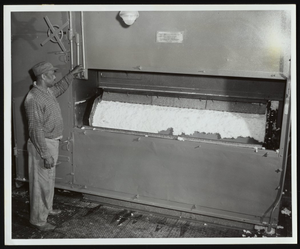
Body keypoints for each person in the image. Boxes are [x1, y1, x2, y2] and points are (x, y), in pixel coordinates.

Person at [24, 61, 83, 231]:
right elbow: (35, 130)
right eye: (52, 74)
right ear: (43, 76)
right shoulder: (34, 98)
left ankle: (47, 210)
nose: (55, 77)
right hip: (41, 145)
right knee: (40, 184)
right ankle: (38, 221)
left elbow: (60, 87)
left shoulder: (47, 91)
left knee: (48, 181)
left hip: (51, 143)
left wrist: (72, 73)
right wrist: (45, 154)